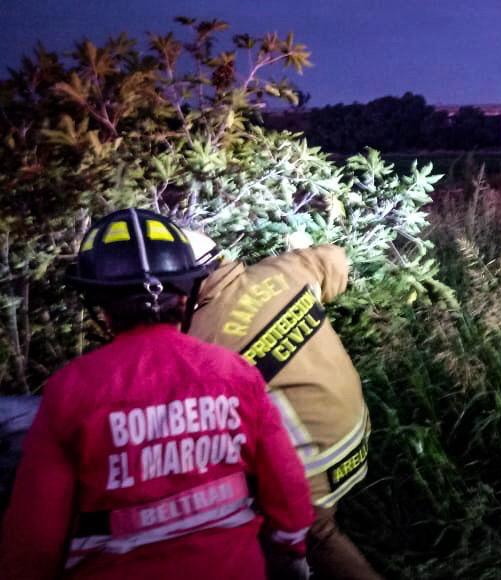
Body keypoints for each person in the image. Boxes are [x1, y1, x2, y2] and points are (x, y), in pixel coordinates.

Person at [0, 209, 314, 580]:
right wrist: (290, 549)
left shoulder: (71, 390)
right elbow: (287, 487)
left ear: (102, 308)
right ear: (185, 297)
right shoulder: (234, 372)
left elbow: (35, 536)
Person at [186, 231, 382, 580]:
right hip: (358, 429)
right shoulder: (284, 270)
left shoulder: (201, 342)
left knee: (315, 535)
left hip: (314, 466)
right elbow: (334, 258)